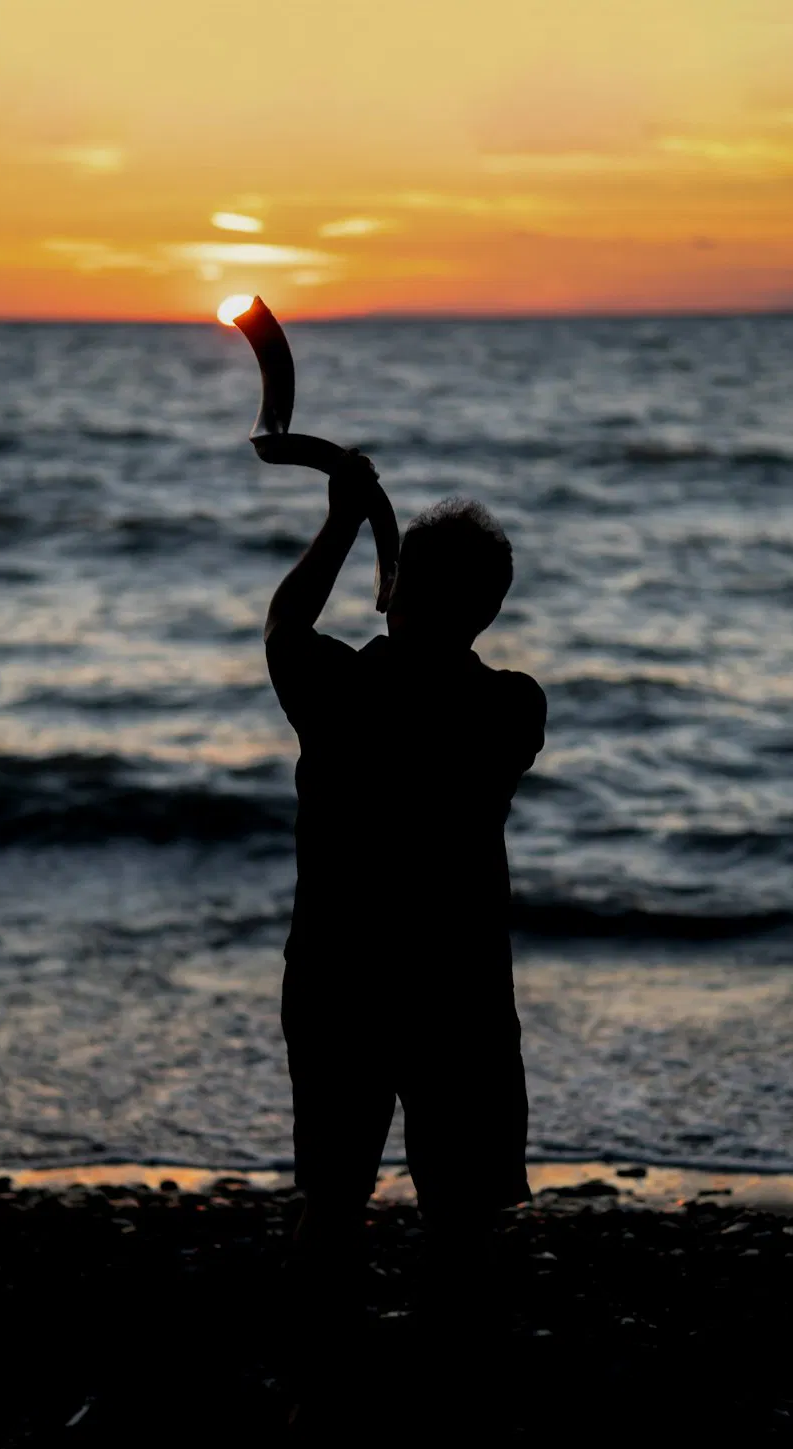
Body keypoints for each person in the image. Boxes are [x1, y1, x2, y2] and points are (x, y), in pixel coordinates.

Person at [265, 450, 546, 1340]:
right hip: (457, 990)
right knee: (463, 1217)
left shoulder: (340, 691)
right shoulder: (511, 708)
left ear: (392, 587)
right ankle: (451, 1388)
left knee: (335, 1199)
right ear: (489, 610)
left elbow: (283, 625)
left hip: (337, 976)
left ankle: (322, 1383)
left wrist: (344, 520)